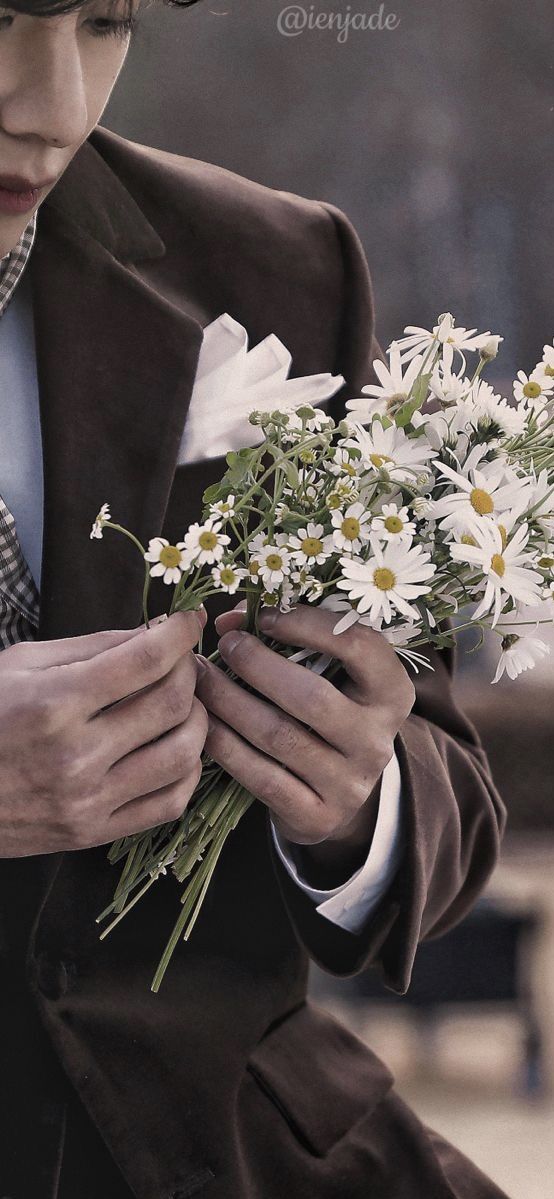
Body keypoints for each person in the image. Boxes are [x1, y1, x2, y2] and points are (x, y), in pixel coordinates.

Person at [0, 2, 508, 1196]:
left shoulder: (276, 262)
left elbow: (446, 799)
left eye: (107, 21)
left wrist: (355, 804)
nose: (54, 109)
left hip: (252, 1148)